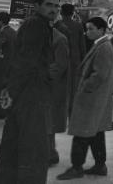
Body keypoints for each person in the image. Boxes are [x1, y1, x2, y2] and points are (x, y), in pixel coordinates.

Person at [0, 0, 60, 184]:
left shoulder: (38, 24)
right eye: (49, 5)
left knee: (14, 146)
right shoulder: (37, 25)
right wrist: (11, 91)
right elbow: (25, 61)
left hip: (27, 93)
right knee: (34, 151)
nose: (53, 9)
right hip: (31, 96)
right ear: (37, 5)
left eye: (56, 6)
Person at [57, 17, 113, 180]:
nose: (87, 32)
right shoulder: (101, 45)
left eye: (91, 29)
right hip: (95, 99)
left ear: (102, 30)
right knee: (96, 133)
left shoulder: (103, 47)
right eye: (87, 28)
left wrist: (84, 88)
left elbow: (99, 75)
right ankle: (100, 165)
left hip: (91, 99)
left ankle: (77, 167)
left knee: (81, 134)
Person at [59, 4, 86, 112]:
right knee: (73, 85)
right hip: (75, 59)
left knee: (60, 84)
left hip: (59, 58)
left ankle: (60, 107)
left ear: (61, 12)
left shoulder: (57, 25)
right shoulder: (78, 26)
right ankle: (71, 108)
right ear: (73, 13)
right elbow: (82, 45)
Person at [48, 24, 69, 166]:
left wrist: (41, 74)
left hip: (49, 87)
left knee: (48, 122)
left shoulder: (59, 39)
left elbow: (60, 66)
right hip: (38, 87)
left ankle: (50, 153)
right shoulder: (35, 36)